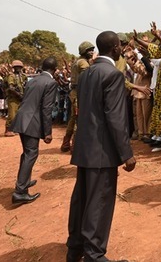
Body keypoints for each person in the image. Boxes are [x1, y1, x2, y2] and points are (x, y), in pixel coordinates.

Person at [66, 31, 136, 262]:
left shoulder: (87, 73)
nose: (122, 50)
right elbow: (115, 117)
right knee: (99, 202)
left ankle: (75, 248)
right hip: (102, 150)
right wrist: (126, 153)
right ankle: (94, 254)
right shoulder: (113, 75)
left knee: (82, 198)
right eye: (120, 47)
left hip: (85, 147)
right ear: (115, 48)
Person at [10, 57, 58, 205]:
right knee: (31, 154)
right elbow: (46, 108)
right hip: (32, 121)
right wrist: (47, 132)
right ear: (55, 70)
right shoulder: (51, 82)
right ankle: (20, 191)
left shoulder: (33, 80)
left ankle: (24, 181)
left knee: (26, 153)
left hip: (22, 118)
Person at [61, 41, 94, 152]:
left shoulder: (77, 61)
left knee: (73, 119)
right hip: (80, 94)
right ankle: (75, 147)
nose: (92, 52)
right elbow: (88, 76)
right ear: (84, 51)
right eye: (89, 50)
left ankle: (66, 143)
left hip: (74, 93)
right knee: (78, 120)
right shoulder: (83, 63)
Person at [5, 60, 27, 137]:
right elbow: (11, 88)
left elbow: (25, 85)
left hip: (21, 97)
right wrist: (18, 94)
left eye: (19, 67)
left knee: (18, 114)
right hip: (13, 98)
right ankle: (8, 130)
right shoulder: (11, 76)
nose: (18, 68)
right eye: (16, 67)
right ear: (14, 68)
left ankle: (14, 129)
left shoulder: (23, 76)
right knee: (12, 115)